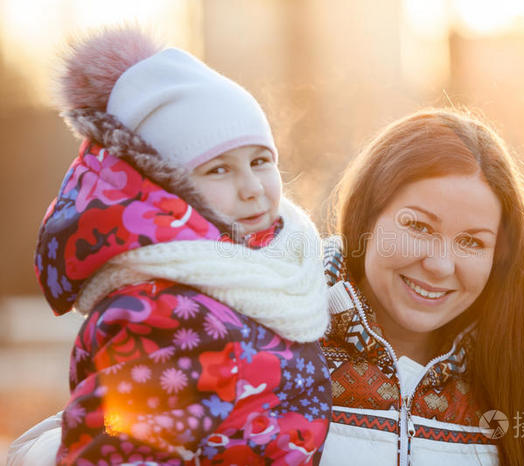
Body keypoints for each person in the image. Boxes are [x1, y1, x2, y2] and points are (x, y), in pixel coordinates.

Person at [11, 27, 331, 465]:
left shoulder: (270, 270)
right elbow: (121, 453)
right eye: (218, 170)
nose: (252, 188)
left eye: (260, 161)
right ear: (167, 187)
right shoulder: (167, 314)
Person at [319, 109, 524, 465]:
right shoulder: (274, 350)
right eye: (419, 226)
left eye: (472, 243)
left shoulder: (512, 383)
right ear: (367, 216)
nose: (440, 265)